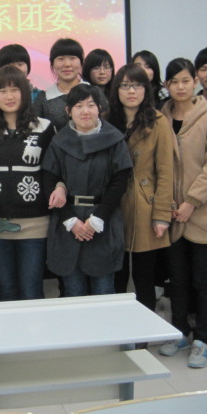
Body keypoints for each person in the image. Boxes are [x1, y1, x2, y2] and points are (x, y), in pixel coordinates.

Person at [158, 58, 207, 369]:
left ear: (195, 82)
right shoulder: (160, 118)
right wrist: (169, 205)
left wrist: (191, 201)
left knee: (204, 281)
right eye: (174, 82)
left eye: (186, 80)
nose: (180, 87)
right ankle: (180, 332)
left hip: (202, 213)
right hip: (171, 214)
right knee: (179, 280)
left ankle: (202, 339)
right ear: (166, 85)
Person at [0, 66, 57, 301]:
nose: (9, 96)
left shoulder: (44, 127)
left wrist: (60, 187)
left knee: (32, 290)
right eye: (2, 91)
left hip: (35, 224)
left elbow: (54, 171)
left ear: (25, 92)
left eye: (14, 90)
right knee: (6, 290)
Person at [42, 84, 132, 297]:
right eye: (79, 106)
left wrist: (98, 218)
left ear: (99, 108)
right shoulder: (59, 141)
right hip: (68, 221)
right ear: (68, 111)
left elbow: (120, 181)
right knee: (73, 291)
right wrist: (70, 220)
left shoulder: (114, 139)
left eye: (91, 105)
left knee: (103, 290)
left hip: (103, 219)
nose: (85, 111)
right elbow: (49, 178)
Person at [106, 64, 174, 313]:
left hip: (145, 205)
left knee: (144, 276)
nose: (131, 91)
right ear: (117, 90)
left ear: (146, 89)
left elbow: (166, 172)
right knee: (116, 274)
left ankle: (145, 330)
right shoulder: (106, 120)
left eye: (137, 85)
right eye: (125, 85)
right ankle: (118, 326)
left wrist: (162, 215)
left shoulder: (158, 122)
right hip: (113, 203)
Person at [34, 38, 93, 130]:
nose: (67, 64)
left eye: (72, 58)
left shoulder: (94, 92)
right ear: (52, 64)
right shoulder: (43, 99)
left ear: (81, 62)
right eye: (61, 59)